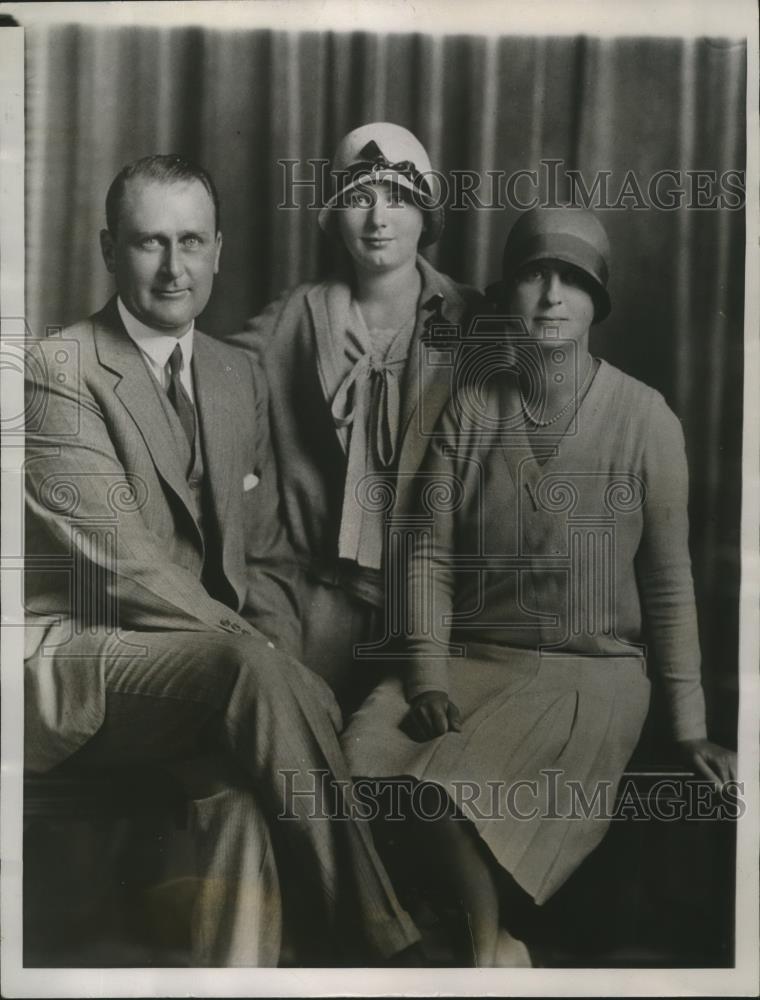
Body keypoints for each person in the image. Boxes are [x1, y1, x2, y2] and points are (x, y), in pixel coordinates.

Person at [23, 154, 421, 966]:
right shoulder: (55, 369)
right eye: (149, 244)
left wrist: (268, 642)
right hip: (86, 654)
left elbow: (265, 552)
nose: (175, 268)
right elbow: (122, 568)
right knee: (256, 673)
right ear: (107, 250)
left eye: (192, 243)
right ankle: (385, 945)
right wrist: (266, 653)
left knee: (246, 788)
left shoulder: (235, 373)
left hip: (215, 665)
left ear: (219, 252)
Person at [341, 207, 737, 966]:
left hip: (586, 676)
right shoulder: (471, 406)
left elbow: (669, 584)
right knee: (356, 762)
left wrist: (689, 729)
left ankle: (488, 950)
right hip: (467, 661)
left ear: (598, 303)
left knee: (444, 786)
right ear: (509, 291)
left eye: (574, 280)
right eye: (534, 274)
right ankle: (484, 942)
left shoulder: (647, 420)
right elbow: (426, 554)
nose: (552, 296)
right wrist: (425, 677)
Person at [228, 122, 481, 708]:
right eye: (358, 199)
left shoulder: (473, 319)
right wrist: (247, 491)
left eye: (398, 197)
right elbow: (210, 379)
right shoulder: (297, 314)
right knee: (285, 741)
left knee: (400, 769)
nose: (378, 219)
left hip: (442, 609)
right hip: (313, 595)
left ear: (426, 212)